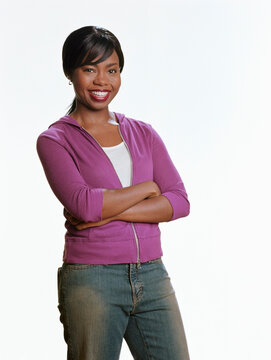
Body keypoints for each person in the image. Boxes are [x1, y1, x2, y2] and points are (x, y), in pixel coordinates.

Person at [36, 25, 191, 360]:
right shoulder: (55, 141)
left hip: (152, 273)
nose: (102, 81)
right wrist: (148, 190)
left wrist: (103, 210)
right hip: (93, 279)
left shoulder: (143, 133)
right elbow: (82, 204)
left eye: (112, 70)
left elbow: (178, 201)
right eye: (89, 69)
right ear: (70, 72)